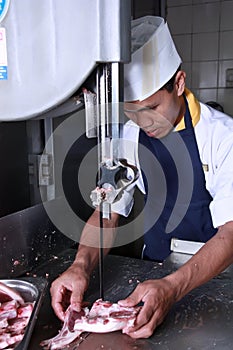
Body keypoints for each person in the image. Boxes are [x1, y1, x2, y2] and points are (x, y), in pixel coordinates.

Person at [50, 16, 233, 339]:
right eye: (130, 111)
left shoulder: (222, 137)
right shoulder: (130, 135)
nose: (142, 121)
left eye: (151, 107)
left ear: (179, 83)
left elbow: (231, 233)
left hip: (219, 276)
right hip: (156, 269)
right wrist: (80, 265)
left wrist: (173, 288)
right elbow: (109, 210)